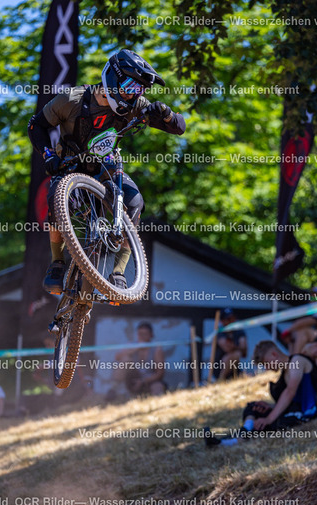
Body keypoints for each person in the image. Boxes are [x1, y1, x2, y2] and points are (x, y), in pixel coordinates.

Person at [28, 49, 186, 293]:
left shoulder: (136, 106)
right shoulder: (72, 99)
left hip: (106, 167)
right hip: (70, 164)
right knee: (55, 197)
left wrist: (164, 113)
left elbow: (179, 128)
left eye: (140, 91)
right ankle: (57, 263)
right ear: (113, 78)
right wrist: (48, 155)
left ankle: (118, 272)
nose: (135, 96)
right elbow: (36, 125)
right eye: (131, 87)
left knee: (135, 202)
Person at [205, 340, 317, 446]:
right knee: (253, 407)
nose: (267, 368)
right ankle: (242, 433)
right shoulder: (285, 371)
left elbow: (290, 392)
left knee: (276, 423)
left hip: (312, 412)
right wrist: (270, 407)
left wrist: (269, 418)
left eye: (266, 363)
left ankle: (230, 441)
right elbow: (293, 400)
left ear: (274, 354)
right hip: (295, 411)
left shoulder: (297, 361)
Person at [106, 322, 166, 399]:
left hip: (149, 381)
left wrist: (143, 381)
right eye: (140, 334)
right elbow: (117, 357)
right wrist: (134, 349)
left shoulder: (156, 349)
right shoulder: (132, 345)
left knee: (158, 388)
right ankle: (113, 389)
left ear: (151, 335)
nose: (142, 337)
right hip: (133, 379)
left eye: (145, 334)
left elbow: (160, 373)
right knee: (126, 359)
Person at [213, 308, 247, 381]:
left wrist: (233, 346)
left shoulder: (239, 332)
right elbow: (227, 348)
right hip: (219, 368)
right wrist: (238, 346)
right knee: (235, 354)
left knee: (236, 354)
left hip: (235, 370)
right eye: (228, 319)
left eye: (233, 318)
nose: (232, 321)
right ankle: (221, 380)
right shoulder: (220, 332)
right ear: (222, 321)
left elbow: (244, 350)